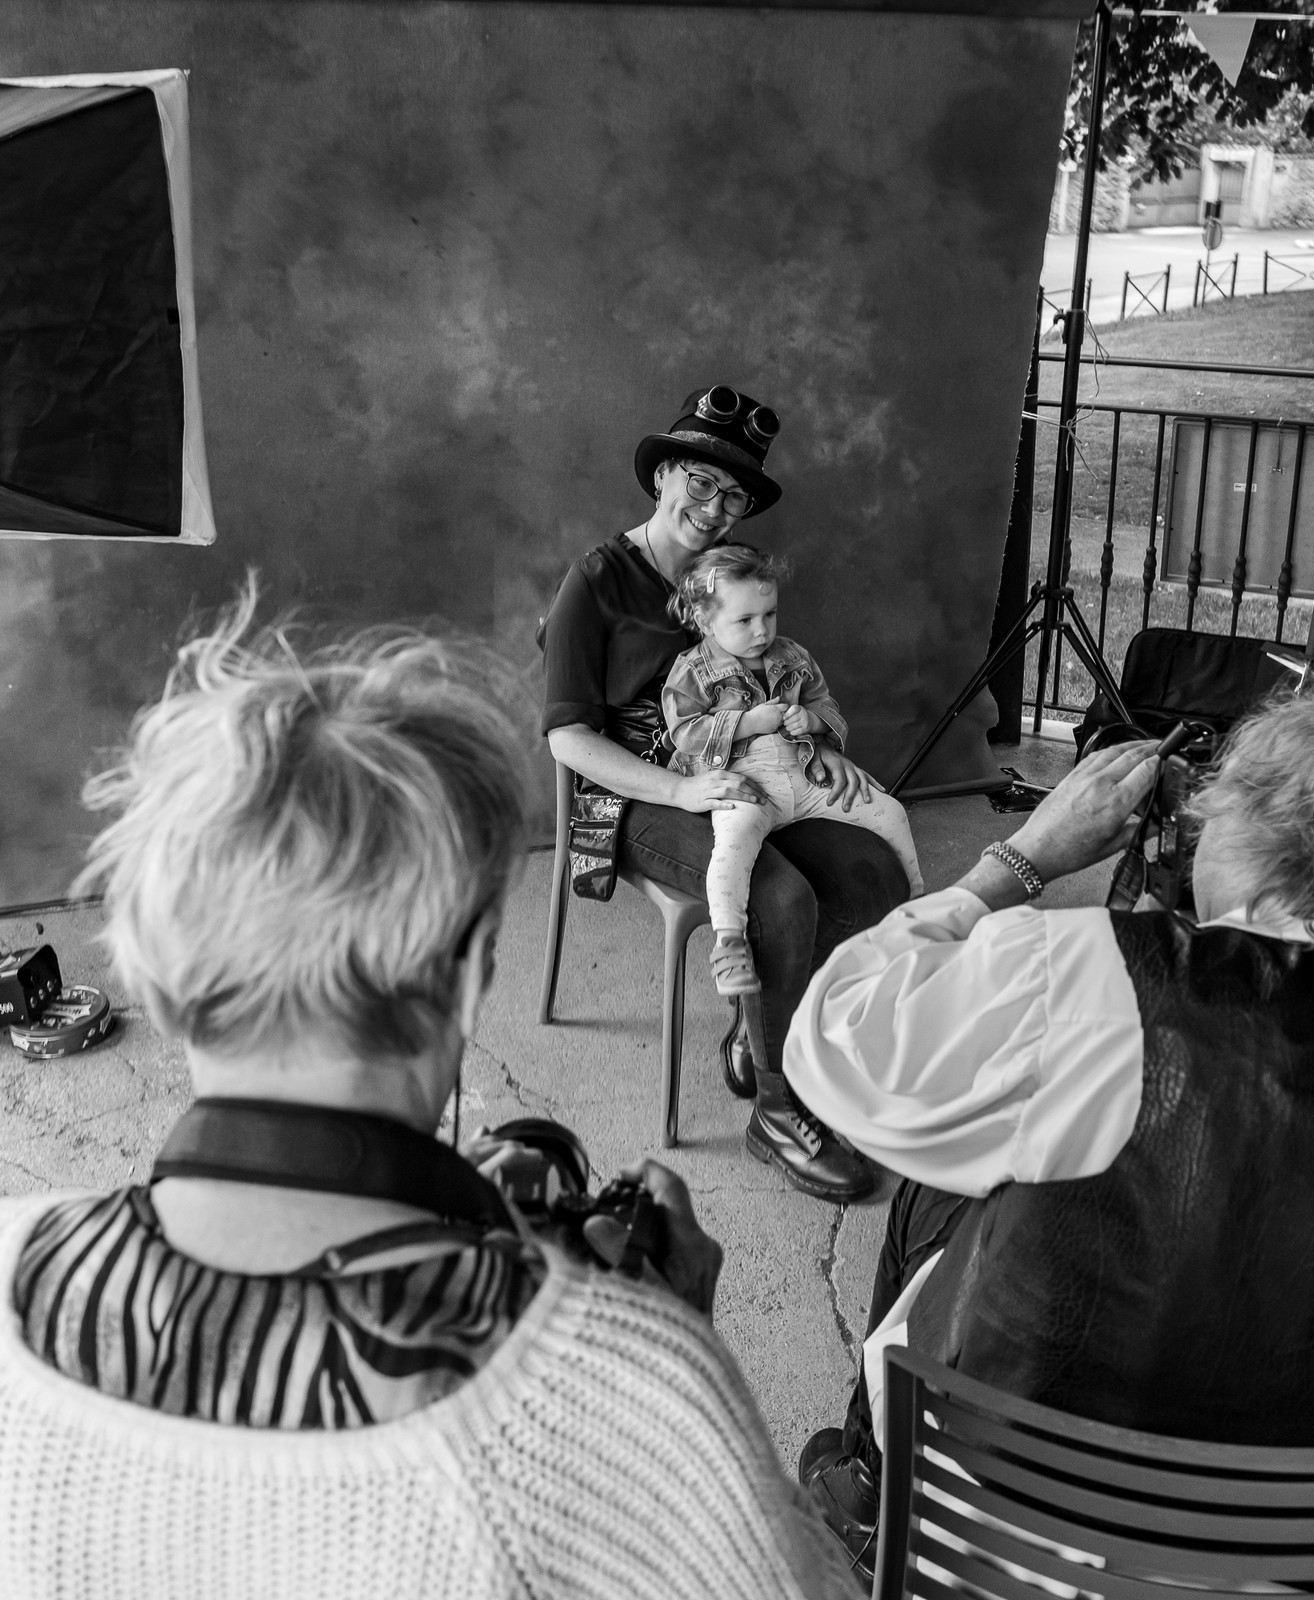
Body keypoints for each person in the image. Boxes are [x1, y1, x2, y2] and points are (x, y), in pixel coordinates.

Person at [0, 592, 862, 1600]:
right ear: (465, 977)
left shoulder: (16, 1249)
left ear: (156, 964)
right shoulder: (606, 1375)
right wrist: (678, 1359)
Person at [784, 684, 1314, 1578]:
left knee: (954, 1157)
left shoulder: (1097, 978)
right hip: (1299, 1567)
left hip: (1005, 1531)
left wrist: (1021, 860)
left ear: (1255, 831)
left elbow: (832, 1037)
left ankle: (871, 1487)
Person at [540, 385, 909, 1202]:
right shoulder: (595, 582)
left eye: (734, 494)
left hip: (759, 779)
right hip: (638, 797)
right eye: (701, 483)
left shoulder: (731, 581)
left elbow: (785, 681)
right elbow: (568, 736)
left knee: (871, 870)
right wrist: (679, 787)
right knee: (777, 897)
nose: (715, 507)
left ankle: (768, 1037)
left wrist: (818, 747)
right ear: (665, 473)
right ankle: (777, 1113)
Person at [662, 542, 924, 997]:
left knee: (887, 811)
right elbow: (684, 731)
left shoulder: (793, 657)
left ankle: (919, 908)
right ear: (706, 622)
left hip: (805, 776)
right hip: (746, 784)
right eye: (744, 621)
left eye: (770, 614)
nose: (762, 630)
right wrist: (745, 722)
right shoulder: (693, 671)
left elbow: (824, 701)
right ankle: (729, 944)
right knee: (732, 845)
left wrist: (816, 722)